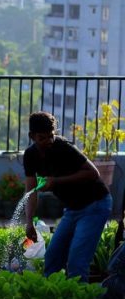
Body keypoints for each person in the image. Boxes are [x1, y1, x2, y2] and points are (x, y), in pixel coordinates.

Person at [24, 111, 112, 281]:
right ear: (32, 136)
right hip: (72, 209)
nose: (49, 141)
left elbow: (93, 172)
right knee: (52, 257)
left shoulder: (64, 148)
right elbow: (31, 190)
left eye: (51, 135)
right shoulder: (30, 156)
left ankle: (79, 298)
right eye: (42, 138)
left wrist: (56, 181)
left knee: (77, 262)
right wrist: (29, 223)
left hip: (95, 205)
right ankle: (51, 297)